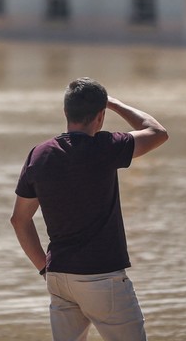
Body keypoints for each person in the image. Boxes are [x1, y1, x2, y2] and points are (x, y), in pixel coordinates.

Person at [11, 77, 169, 341]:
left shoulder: (39, 154)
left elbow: (19, 220)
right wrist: (117, 104)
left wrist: (45, 269)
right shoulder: (107, 147)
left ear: (65, 112)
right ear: (101, 116)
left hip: (59, 277)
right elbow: (157, 132)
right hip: (102, 277)